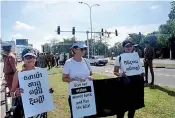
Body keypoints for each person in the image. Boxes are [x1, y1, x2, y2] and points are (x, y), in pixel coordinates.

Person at [10, 48, 53, 117]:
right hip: (24, 108)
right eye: (27, 57)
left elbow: (44, 88)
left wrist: (49, 90)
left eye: (33, 57)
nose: (30, 59)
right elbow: (12, 92)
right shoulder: (18, 74)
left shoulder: (41, 72)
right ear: (23, 59)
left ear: (36, 59)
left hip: (40, 107)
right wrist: (16, 93)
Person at [114, 40, 144, 118]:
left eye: (130, 46)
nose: (129, 47)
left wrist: (141, 73)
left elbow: (138, 68)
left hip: (135, 83)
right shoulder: (119, 57)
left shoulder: (135, 57)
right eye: (127, 46)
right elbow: (115, 71)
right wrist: (121, 74)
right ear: (124, 48)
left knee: (133, 105)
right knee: (122, 105)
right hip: (125, 83)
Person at [62, 41, 93, 118]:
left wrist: (90, 78)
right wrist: (74, 80)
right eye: (82, 49)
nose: (84, 51)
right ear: (74, 50)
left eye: (85, 49)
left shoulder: (87, 61)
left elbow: (91, 75)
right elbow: (64, 78)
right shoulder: (68, 63)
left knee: (88, 115)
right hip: (74, 95)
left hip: (87, 94)